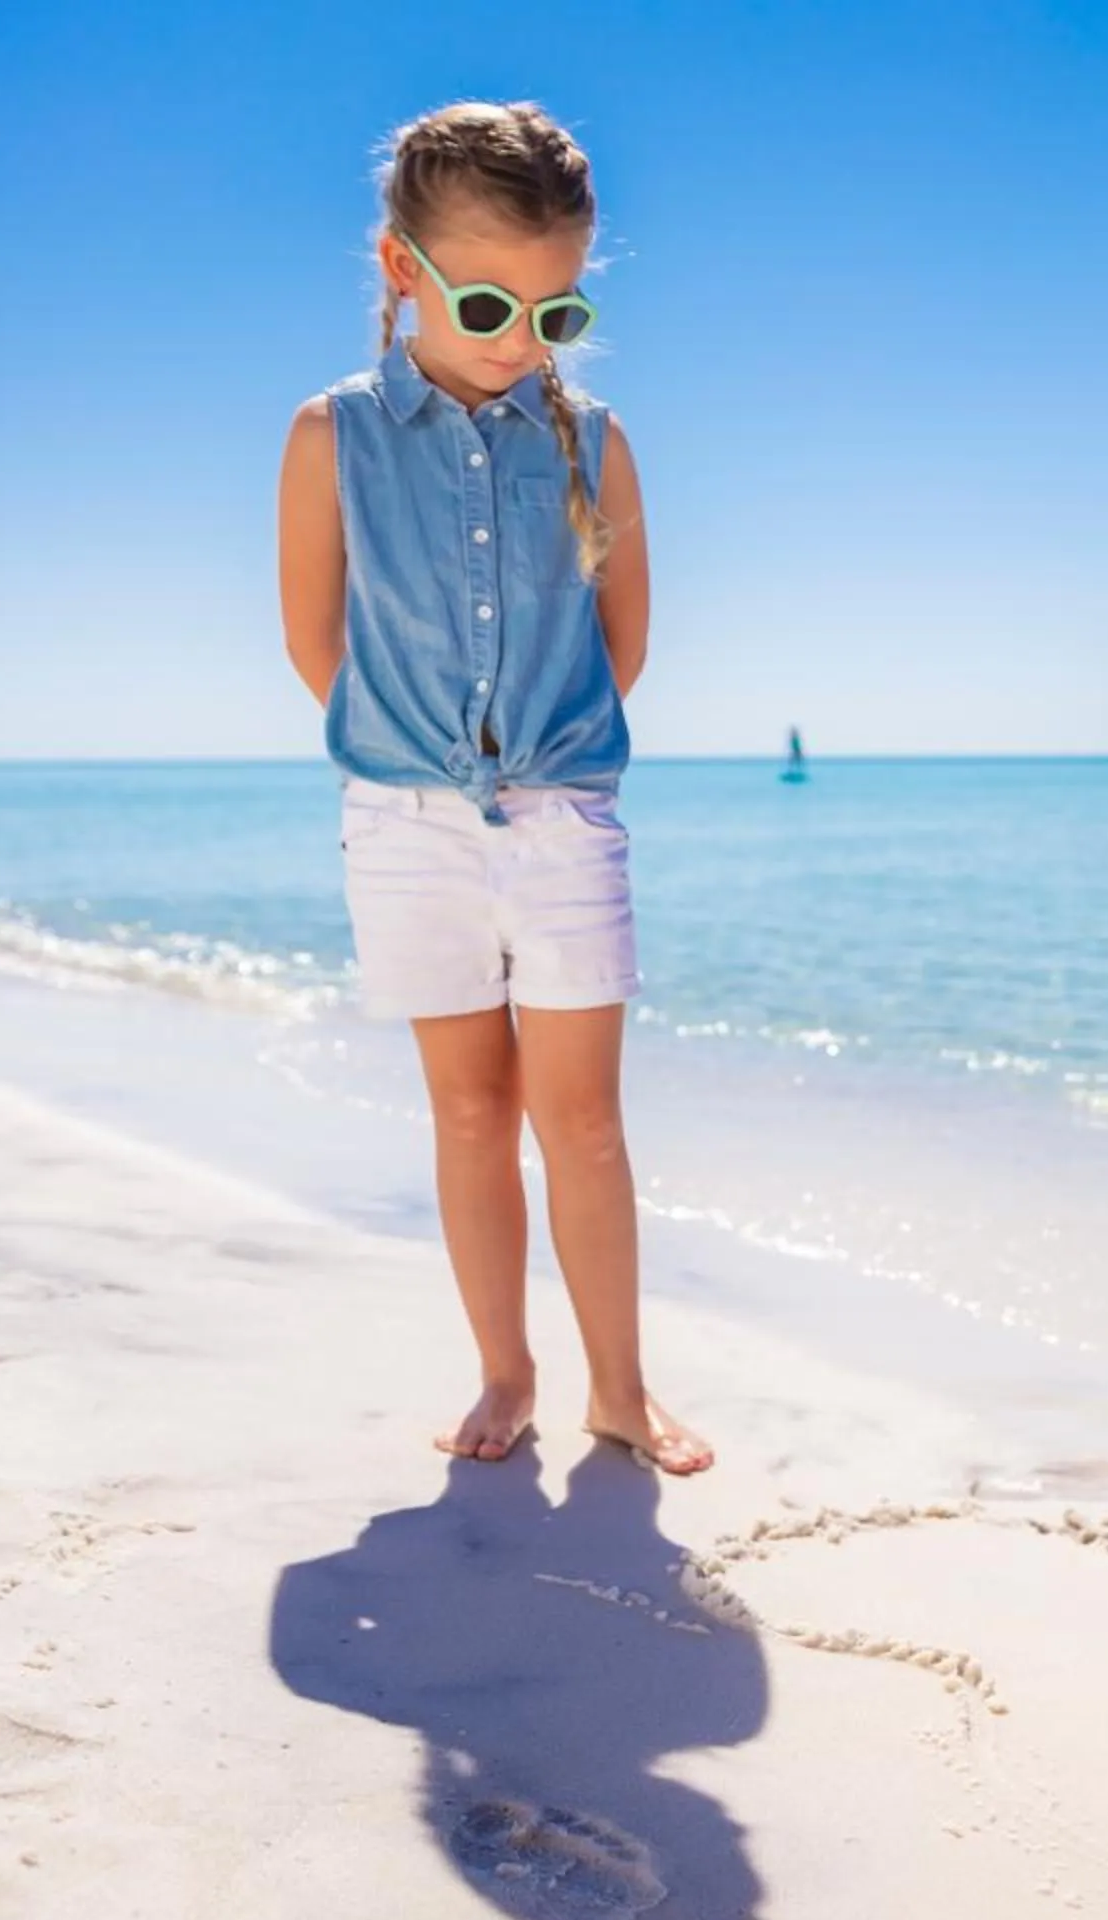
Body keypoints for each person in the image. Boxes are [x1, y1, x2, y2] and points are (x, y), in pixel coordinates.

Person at [276, 101, 710, 1477]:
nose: (523, 341)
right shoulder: (330, 437)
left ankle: (621, 1391)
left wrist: (540, 757)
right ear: (401, 270)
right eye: (486, 305)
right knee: (470, 1108)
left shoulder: (593, 441)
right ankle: (505, 1373)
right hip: (401, 826)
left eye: (557, 314)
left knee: (583, 1115)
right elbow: (316, 641)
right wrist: (423, 756)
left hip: (563, 813)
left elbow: (623, 637)